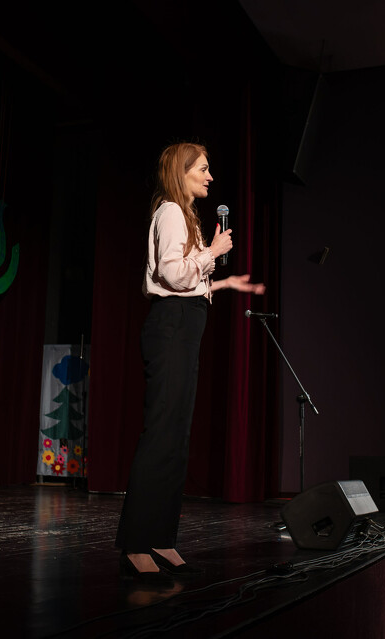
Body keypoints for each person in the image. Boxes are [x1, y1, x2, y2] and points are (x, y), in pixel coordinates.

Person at [115, 142, 265, 583]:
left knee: (177, 440)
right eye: (203, 168)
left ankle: (161, 537)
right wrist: (214, 251)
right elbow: (172, 275)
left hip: (186, 323)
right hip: (171, 327)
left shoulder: (187, 217)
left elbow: (190, 281)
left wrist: (225, 282)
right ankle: (137, 543)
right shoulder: (171, 213)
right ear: (181, 172)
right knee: (161, 433)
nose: (210, 176)